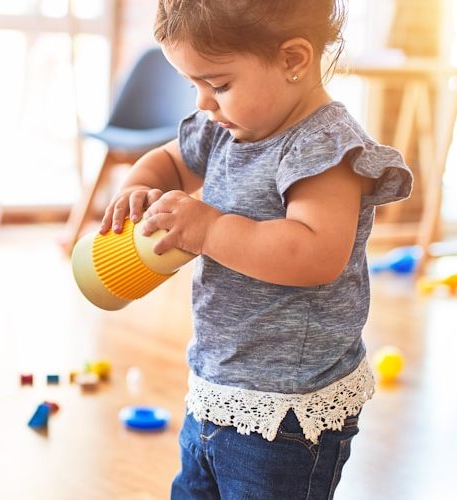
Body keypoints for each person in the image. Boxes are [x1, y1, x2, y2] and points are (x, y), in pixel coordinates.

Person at [99, 0, 413, 498]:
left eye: (218, 84)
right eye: (194, 84)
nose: (204, 102)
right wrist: (139, 187)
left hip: (288, 406)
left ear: (293, 60)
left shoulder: (323, 146)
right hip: (219, 381)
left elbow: (314, 255)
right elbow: (167, 161)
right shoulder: (226, 125)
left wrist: (209, 231)